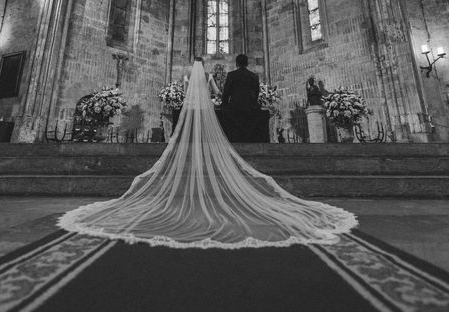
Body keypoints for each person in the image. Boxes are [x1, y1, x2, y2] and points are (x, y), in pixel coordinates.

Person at [58, 58, 357, 248]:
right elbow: (228, 94)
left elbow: (220, 96)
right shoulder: (249, 78)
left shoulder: (194, 81)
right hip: (245, 110)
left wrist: (224, 100)